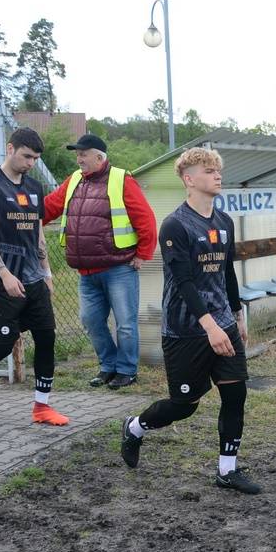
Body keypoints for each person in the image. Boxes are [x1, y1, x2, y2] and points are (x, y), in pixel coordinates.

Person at [119, 148, 260, 495]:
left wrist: (236, 315)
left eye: (218, 169)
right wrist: (209, 326)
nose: (217, 175)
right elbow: (183, 282)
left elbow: (227, 273)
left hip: (223, 323)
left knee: (235, 393)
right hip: (185, 329)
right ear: (189, 179)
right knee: (184, 406)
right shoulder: (175, 225)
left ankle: (227, 470)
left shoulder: (224, 222)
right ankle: (135, 427)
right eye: (208, 170)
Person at [0, 129, 66, 424]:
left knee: (46, 336)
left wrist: (46, 272)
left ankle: (42, 406)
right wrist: (4, 273)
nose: (31, 163)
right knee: (4, 343)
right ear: (10, 149)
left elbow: (38, 233)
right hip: (0, 280)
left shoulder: (34, 187)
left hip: (33, 277)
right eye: (26, 156)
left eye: (35, 159)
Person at [42, 133, 157, 390]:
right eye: (77, 154)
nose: (79, 159)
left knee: (125, 324)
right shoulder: (74, 180)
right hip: (86, 272)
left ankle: (126, 371)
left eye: (83, 154)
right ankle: (108, 366)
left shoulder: (121, 179)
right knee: (91, 321)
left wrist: (143, 254)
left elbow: (145, 218)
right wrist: (24, 219)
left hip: (119, 268)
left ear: (99, 157)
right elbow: (49, 207)